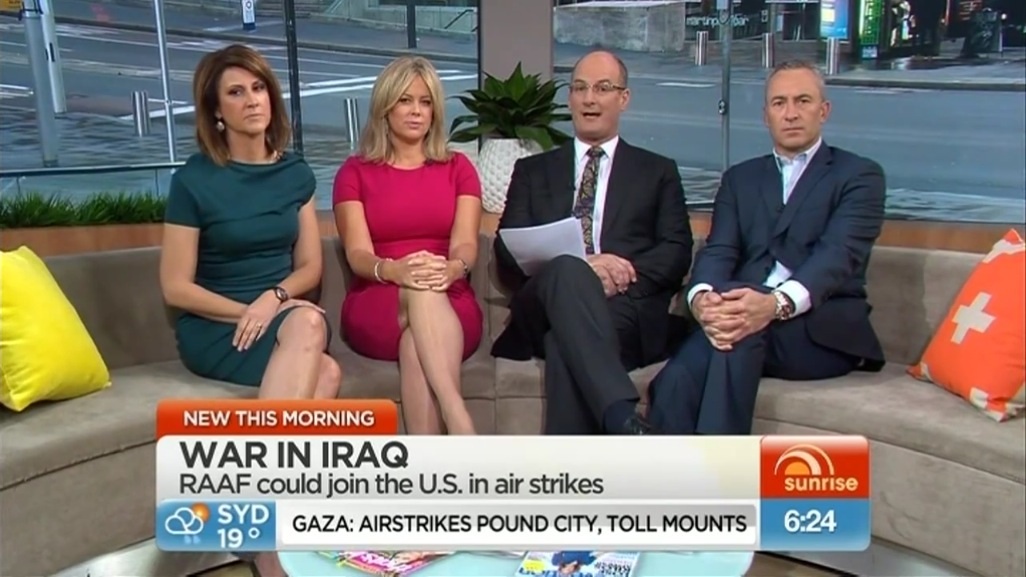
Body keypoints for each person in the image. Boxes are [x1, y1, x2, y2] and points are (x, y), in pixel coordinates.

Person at [159, 44, 341, 577]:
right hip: (217, 327)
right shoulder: (193, 180)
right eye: (236, 93)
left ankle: (262, 536)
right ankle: (272, 537)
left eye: (259, 88)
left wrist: (272, 300)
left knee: (324, 364)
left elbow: (309, 268)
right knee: (313, 335)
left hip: (278, 315)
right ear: (216, 111)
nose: (252, 100)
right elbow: (175, 287)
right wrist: (248, 312)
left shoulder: (295, 174)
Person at [646, 60, 887, 436]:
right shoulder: (740, 179)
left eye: (803, 101)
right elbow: (719, 250)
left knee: (731, 334)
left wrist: (772, 305)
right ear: (766, 115)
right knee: (684, 372)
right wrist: (702, 298)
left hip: (817, 332)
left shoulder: (859, 176)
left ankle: (717, 469)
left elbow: (837, 257)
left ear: (824, 110)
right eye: (779, 103)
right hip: (744, 317)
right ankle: (678, 470)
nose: (791, 113)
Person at [492, 50, 693, 436]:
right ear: (570, 98)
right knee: (569, 269)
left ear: (624, 98)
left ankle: (576, 463)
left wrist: (618, 276)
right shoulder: (533, 170)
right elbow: (506, 249)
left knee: (563, 342)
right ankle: (619, 416)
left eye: (602, 88)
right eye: (580, 88)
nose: (589, 99)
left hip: (623, 307)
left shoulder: (657, 171)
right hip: (544, 304)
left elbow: (676, 251)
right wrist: (584, 269)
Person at [333, 55, 483, 436]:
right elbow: (358, 255)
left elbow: (466, 243)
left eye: (425, 102)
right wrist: (395, 270)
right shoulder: (354, 172)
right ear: (385, 107)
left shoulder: (459, 168)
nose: (417, 111)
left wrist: (453, 268)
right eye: (405, 100)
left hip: (449, 293)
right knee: (420, 288)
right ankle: (459, 419)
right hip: (379, 296)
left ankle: (429, 463)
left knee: (419, 339)